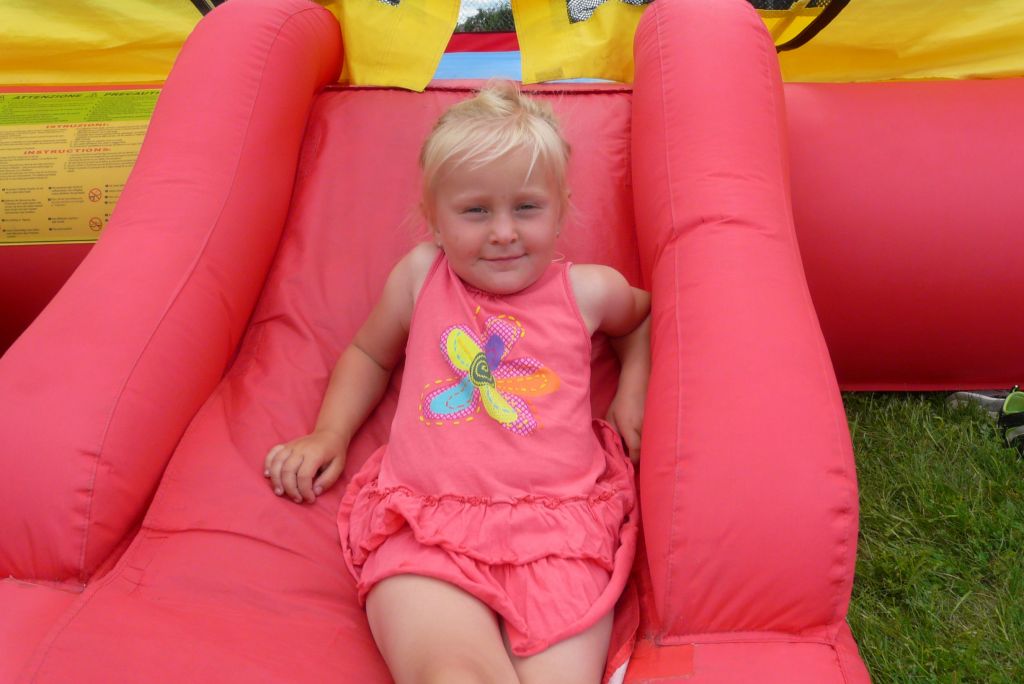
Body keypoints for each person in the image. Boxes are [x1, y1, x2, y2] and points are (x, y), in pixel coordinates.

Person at [264, 81, 651, 684]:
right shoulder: (422, 277)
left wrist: (632, 388)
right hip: (428, 533)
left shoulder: (589, 291)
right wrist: (329, 433)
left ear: (561, 207)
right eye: (475, 211)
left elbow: (642, 320)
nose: (504, 232)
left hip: (558, 538)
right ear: (435, 221)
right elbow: (369, 354)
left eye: (527, 208)